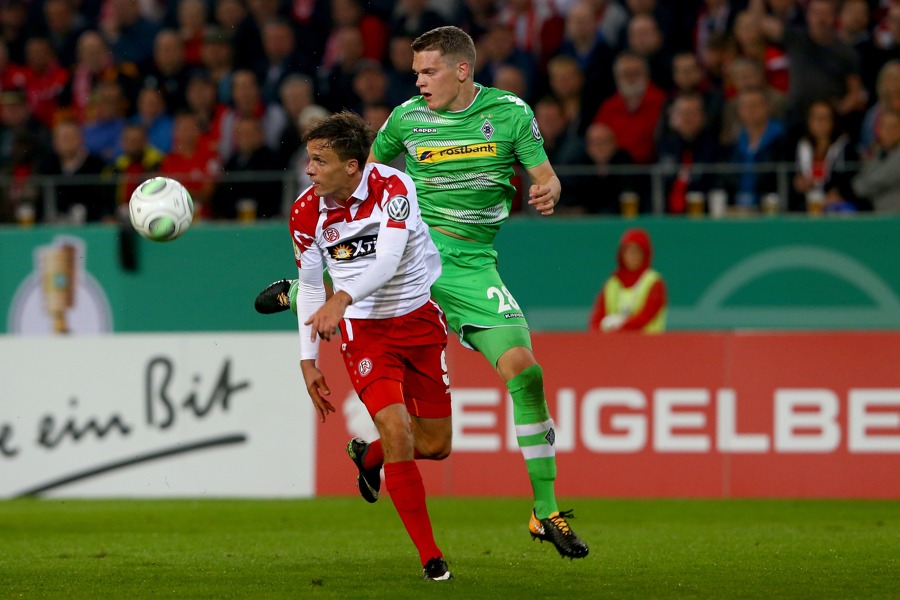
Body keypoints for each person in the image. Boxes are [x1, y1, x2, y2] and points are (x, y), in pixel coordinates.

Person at [259, 26, 588, 560]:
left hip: (471, 269)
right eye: (415, 72)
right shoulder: (406, 120)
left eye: (427, 71)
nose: (418, 82)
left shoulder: (511, 114)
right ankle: (312, 291)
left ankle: (542, 510)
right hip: (407, 255)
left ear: (462, 70)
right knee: (371, 288)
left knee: (523, 374)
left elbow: (546, 176)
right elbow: (365, 177)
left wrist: (547, 188)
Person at [289, 111, 453, 582]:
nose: (309, 169)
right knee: (400, 431)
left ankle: (369, 456)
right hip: (366, 332)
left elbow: (390, 257)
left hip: (420, 321)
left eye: (320, 160)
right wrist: (307, 359)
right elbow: (310, 287)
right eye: (309, 159)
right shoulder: (306, 212)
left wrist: (342, 296)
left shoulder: (395, 187)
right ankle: (431, 558)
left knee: (436, 445)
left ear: (353, 167)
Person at [588, 227, 667, 333]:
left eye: (636, 251)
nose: (632, 255)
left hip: (647, 345)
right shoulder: (612, 283)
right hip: (614, 345)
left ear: (645, 254)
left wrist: (619, 328)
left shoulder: (654, 282)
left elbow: (646, 316)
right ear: (621, 254)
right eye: (628, 251)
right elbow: (597, 318)